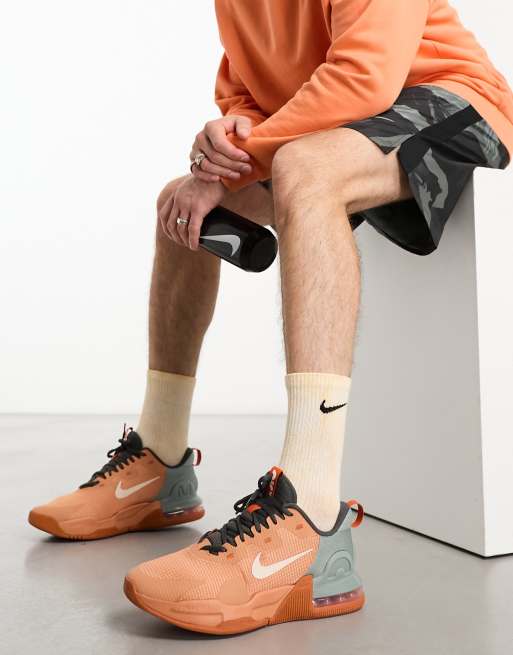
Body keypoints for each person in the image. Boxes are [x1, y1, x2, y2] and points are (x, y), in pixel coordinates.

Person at [29, 0, 513, 635]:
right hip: (343, 133)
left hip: (459, 107)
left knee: (304, 167)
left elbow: (365, 78)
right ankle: (160, 459)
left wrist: (250, 152)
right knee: (182, 205)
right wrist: (227, 139)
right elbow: (251, 91)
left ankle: (309, 519)